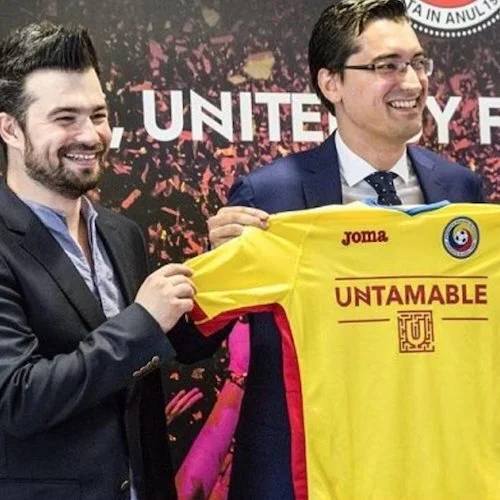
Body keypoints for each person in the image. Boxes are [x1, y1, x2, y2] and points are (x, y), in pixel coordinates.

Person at [207, 0, 484, 497]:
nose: (413, 82)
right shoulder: (270, 197)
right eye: (387, 66)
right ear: (331, 83)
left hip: (431, 466)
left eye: (418, 62)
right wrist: (218, 261)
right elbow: (192, 342)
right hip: (309, 472)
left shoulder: (462, 189)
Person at [0, 22, 216, 500]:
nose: (91, 134)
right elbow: (17, 398)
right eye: (65, 118)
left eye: (98, 114)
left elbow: (169, 342)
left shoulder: (121, 233)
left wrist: (229, 264)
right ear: (10, 128)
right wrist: (143, 321)